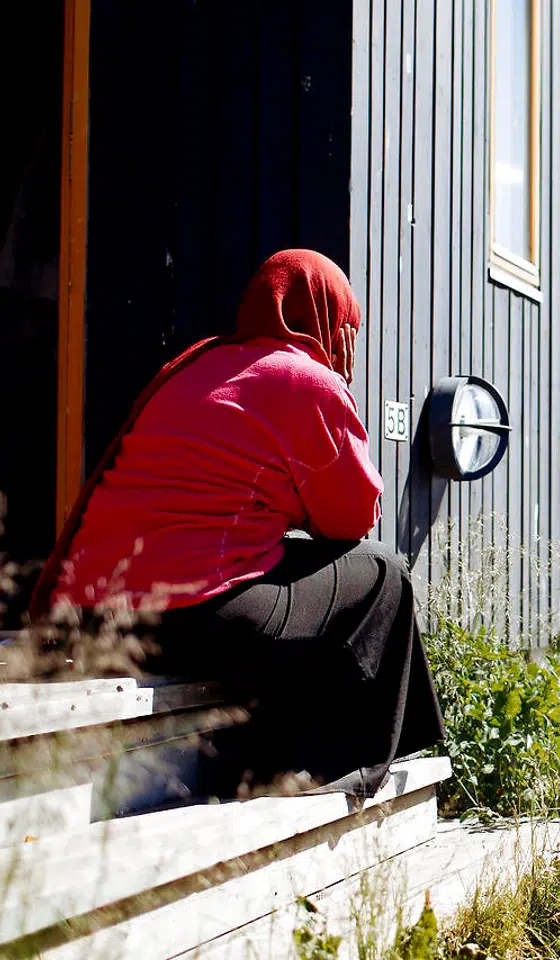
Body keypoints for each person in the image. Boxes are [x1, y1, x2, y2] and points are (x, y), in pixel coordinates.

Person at [27, 249, 443, 799]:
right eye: (349, 331)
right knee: (381, 576)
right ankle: (338, 767)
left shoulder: (199, 365)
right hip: (190, 617)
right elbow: (351, 520)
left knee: (294, 576)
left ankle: (270, 762)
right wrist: (336, 390)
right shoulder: (306, 379)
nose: (351, 347)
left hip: (100, 618)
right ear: (328, 321)